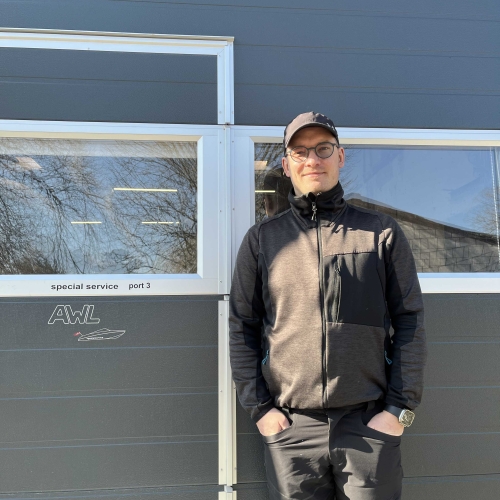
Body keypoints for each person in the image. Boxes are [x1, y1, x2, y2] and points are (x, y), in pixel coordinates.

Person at [229, 111, 426, 500]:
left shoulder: (380, 233)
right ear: (287, 164)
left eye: (323, 149)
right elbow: (242, 327)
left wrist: (398, 412)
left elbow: (410, 322)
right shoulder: (262, 240)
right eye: (300, 152)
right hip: (292, 432)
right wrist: (261, 411)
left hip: (368, 426)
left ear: (340, 156)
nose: (312, 160)